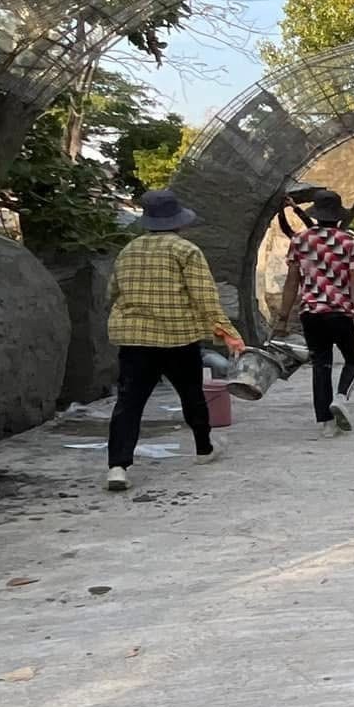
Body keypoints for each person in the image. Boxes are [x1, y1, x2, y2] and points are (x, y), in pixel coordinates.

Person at [104, 190, 244, 493]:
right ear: (178, 222)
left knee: (129, 402)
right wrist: (228, 334)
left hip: (134, 338)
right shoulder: (186, 251)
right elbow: (205, 297)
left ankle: (118, 465)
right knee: (191, 393)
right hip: (177, 336)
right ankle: (203, 448)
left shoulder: (128, 250)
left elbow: (112, 292)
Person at [276, 191, 354, 435]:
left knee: (321, 364)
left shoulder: (300, 241)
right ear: (339, 216)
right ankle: (340, 397)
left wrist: (282, 318)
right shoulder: (351, 243)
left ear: (315, 215)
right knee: (353, 360)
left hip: (310, 313)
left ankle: (326, 424)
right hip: (340, 313)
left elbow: (291, 283)